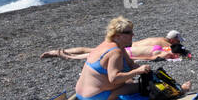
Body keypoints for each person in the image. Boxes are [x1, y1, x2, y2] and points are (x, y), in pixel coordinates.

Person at [71, 17, 190, 100]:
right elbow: (114, 78)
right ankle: (180, 91)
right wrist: (138, 71)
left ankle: (174, 88)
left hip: (80, 94)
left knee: (134, 80)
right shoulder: (115, 52)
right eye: (128, 32)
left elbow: (131, 64)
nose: (133, 34)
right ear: (117, 35)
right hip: (95, 97)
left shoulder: (109, 45)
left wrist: (139, 69)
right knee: (146, 87)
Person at [43, 30, 189, 61]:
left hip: (127, 45)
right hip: (130, 49)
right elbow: (178, 51)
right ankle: (64, 55)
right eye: (178, 40)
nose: (179, 42)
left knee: (92, 49)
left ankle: (59, 51)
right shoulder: (164, 45)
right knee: (94, 53)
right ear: (173, 40)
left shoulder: (158, 38)